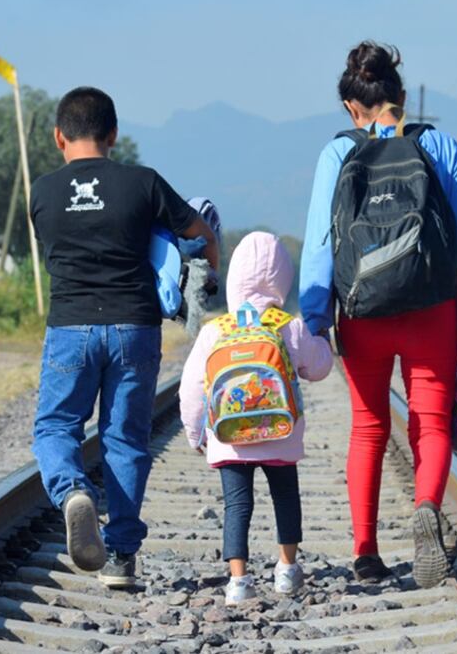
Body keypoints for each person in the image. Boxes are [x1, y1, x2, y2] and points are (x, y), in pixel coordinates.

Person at [299, 42, 457, 588]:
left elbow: (320, 243)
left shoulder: (338, 153)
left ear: (349, 107)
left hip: (364, 311)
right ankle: (427, 506)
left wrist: (316, 318)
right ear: (401, 99)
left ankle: (365, 551)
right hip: (432, 307)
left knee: (368, 428)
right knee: (431, 424)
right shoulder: (440, 146)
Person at [29, 87, 219, 588]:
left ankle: (72, 492)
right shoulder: (143, 183)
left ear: (57, 137)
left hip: (70, 326)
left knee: (55, 428)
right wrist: (209, 277)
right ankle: (121, 558)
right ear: (113, 135)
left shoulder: (43, 191)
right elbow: (200, 233)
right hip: (134, 327)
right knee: (125, 441)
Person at [179, 232, 333, 605]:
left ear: (235, 278)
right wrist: (323, 340)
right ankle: (286, 570)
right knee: (285, 497)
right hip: (280, 434)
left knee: (237, 505)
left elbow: (192, 389)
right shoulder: (288, 325)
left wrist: (195, 433)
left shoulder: (216, 330)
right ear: (283, 278)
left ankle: (239, 580)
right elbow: (319, 367)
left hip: (230, 437)